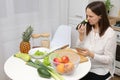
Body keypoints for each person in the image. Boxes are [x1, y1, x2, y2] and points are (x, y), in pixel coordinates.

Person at [76, 1, 117, 80]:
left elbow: (109, 59)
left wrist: (92, 54)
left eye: (91, 16)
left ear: (100, 16)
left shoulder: (110, 34)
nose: (87, 19)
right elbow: (78, 48)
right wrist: (81, 35)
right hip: (85, 65)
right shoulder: (87, 28)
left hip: (100, 70)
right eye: (87, 15)